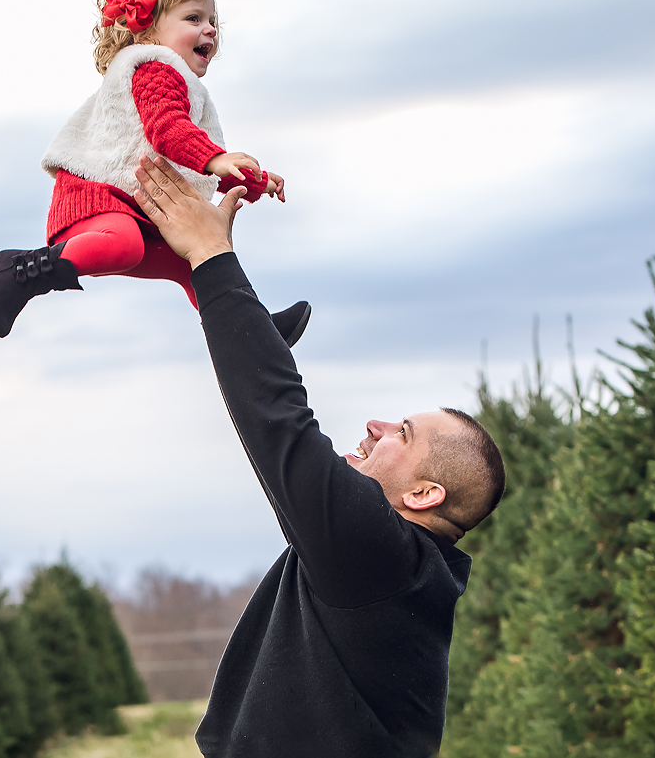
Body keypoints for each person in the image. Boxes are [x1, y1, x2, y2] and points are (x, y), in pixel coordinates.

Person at [130, 153, 507, 758]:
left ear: (425, 494)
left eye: (403, 433)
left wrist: (211, 258)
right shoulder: (397, 573)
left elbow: (279, 423)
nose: (377, 424)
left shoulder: (382, 556)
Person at [0, 0, 310, 344]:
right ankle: (18, 269)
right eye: (193, 17)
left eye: (213, 20)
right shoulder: (154, 69)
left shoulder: (180, 82)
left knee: (197, 260)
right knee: (125, 246)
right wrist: (216, 159)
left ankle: (254, 332)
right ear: (151, 29)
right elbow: (168, 130)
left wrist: (253, 181)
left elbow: (187, 165)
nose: (210, 29)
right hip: (97, 197)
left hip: (136, 204)